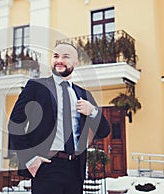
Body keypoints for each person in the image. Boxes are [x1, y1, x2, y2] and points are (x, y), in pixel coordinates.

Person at [8, 42, 110, 194]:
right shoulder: (36, 87)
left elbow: (104, 131)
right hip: (47, 166)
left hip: (75, 169)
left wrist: (93, 111)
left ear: (75, 62)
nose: (59, 60)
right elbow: (15, 124)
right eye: (56, 56)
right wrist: (29, 159)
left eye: (65, 57)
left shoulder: (83, 94)